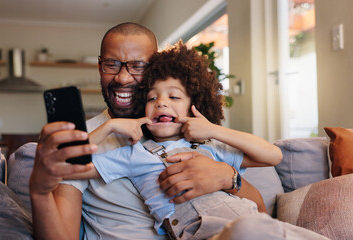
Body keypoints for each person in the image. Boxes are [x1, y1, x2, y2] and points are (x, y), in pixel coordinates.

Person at [29, 22, 267, 240]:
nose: (122, 77)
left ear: (157, 69)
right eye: (111, 64)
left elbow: (261, 212)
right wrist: (39, 192)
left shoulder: (188, 130)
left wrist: (228, 177)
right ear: (100, 67)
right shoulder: (84, 138)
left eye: (138, 65)